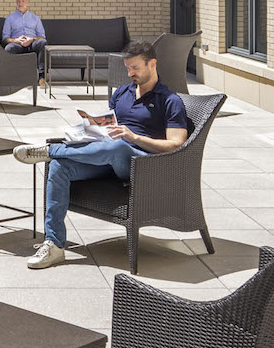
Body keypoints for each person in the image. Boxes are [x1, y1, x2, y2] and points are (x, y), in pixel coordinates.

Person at [13, 39, 190, 269]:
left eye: (135, 68)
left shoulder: (169, 100)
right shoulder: (123, 93)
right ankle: (55, 244)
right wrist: (91, 128)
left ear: (152, 64)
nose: (130, 73)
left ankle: (49, 150)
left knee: (117, 146)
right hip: (108, 157)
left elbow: (176, 144)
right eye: (128, 68)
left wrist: (134, 138)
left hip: (142, 164)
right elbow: (110, 127)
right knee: (59, 167)